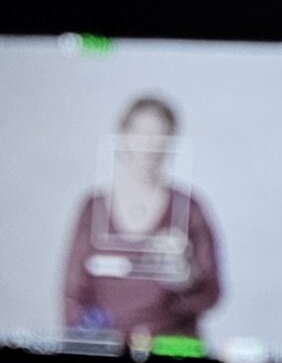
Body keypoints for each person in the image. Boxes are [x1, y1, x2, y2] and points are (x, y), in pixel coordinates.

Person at [62, 94, 222, 343]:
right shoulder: (92, 209)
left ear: (172, 142)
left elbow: (211, 293)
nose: (149, 144)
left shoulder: (190, 209)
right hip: (106, 347)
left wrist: (184, 278)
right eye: (140, 133)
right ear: (122, 137)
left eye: (160, 135)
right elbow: (72, 296)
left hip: (173, 346)